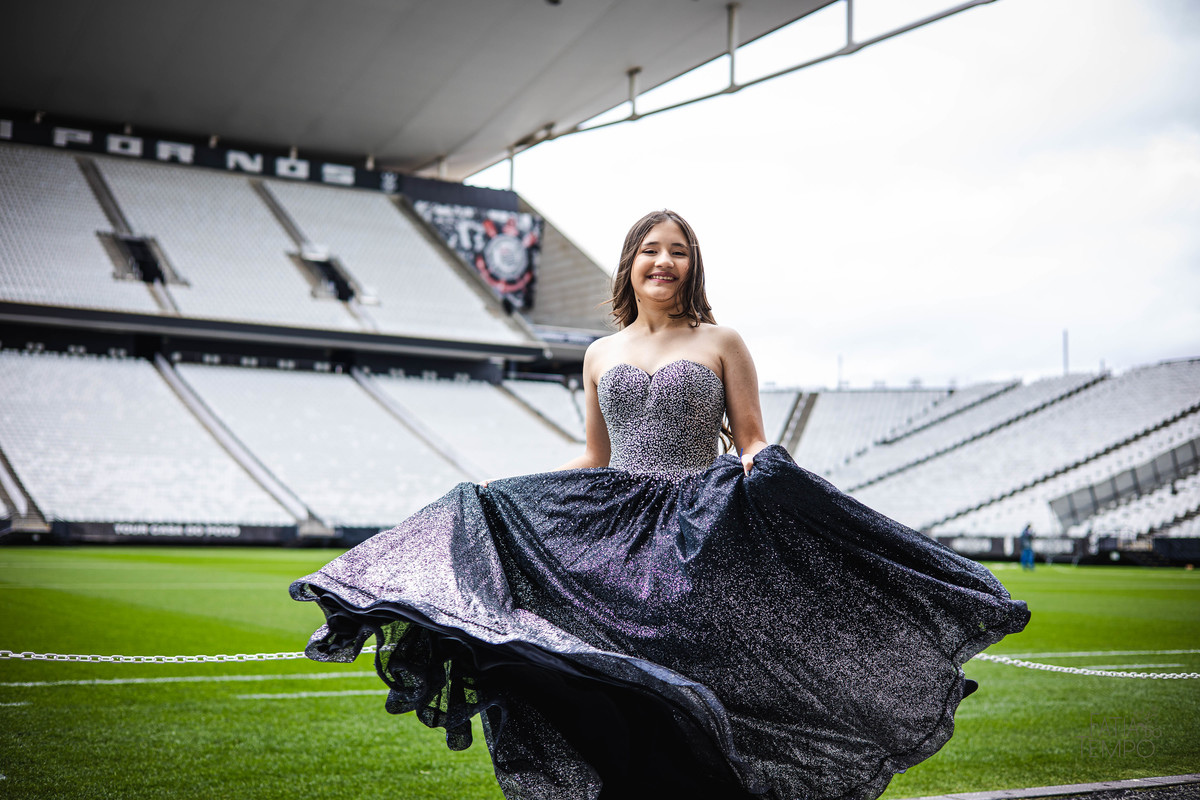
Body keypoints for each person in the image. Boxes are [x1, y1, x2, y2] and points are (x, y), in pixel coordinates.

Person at [291, 210, 1030, 800]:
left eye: (678, 251)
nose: (664, 261)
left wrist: (766, 471)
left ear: (691, 266)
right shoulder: (599, 352)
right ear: (630, 264)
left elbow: (751, 439)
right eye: (651, 250)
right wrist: (504, 495)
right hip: (616, 523)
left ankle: (719, 777)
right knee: (602, 666)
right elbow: (595, 457)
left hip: (697, 524)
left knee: (700, 662)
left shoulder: (722, 340)